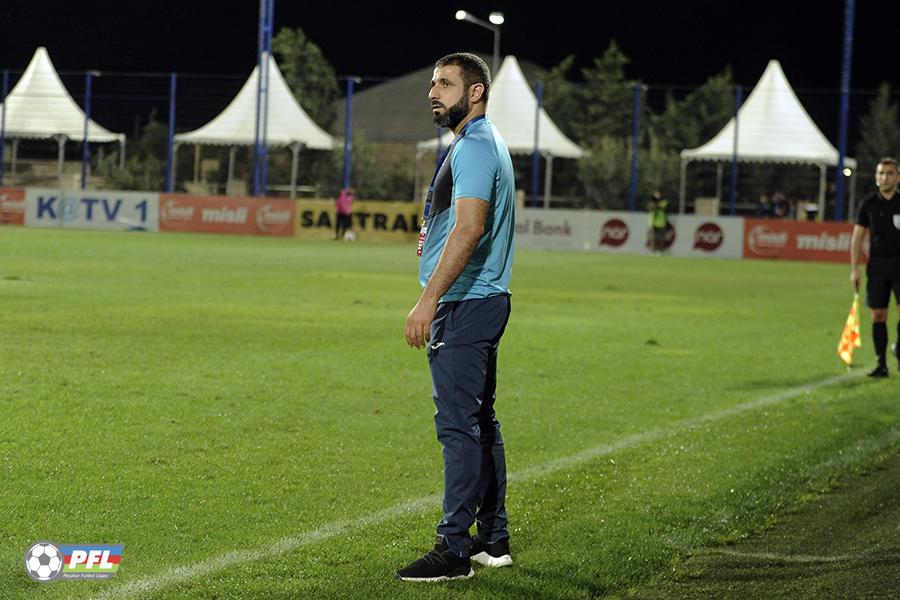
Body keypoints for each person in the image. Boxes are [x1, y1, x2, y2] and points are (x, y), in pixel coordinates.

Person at [396, 52, 516, 582]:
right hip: (481, 300)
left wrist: (428, 301)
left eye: (445, 83)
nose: (432, 92)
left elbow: (469, 228)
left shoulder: (475, 146)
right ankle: (492, 539)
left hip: (466, 303)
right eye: (432, 83)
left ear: (475, 92)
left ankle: (453, 551)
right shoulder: (478, 142)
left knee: (458, 428)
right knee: (480, 422)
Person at [850, 157, 900, 377]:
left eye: (889, 173)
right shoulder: (868, 204)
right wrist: (854, 269)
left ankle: (899, 348)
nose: (884, 177)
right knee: (878, 315)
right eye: (880, 173)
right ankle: (882, 365)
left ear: (898, 177)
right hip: (878, 265)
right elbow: (857, 238)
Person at [647, 190, 669, 254]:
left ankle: (660, 251)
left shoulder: (664, 201)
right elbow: (649, 207)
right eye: (656, 194)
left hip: (661, 222)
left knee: (660, 238)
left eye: (658, 194)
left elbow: (660, 207)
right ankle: (653, 250)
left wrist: (653, 205)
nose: (657, 195)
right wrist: (653, 206)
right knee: (653, 237)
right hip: (652, 222)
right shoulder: (651, 201)